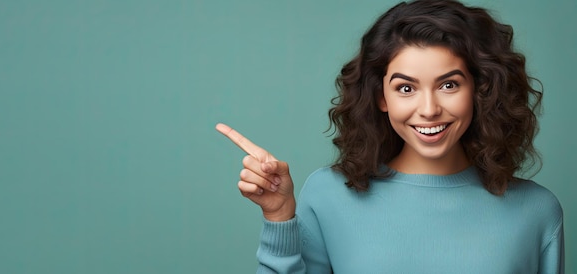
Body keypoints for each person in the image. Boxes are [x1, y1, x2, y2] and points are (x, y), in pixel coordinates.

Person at [216, 0, 564, 273]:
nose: (428, 109)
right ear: (381, 97)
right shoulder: (328, 196)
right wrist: (279, 217)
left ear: (479, 89)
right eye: (406, 87)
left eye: (448, 84)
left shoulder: (537, 211)